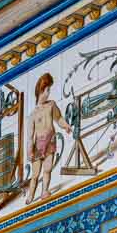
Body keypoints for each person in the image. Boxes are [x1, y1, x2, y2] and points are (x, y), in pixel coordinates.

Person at [26, 73, 70, 202]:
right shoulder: (33, 114)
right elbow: (30, 136)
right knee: (35, 174)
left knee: (48, 169)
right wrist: (29, 151)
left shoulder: (51, 105)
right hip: (38, 145)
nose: (49, 93)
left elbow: (59, 118)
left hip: (50, 141)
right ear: (41, 91)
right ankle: (30, 195)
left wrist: (65, 125)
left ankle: (44, 190)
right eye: (47, 90)